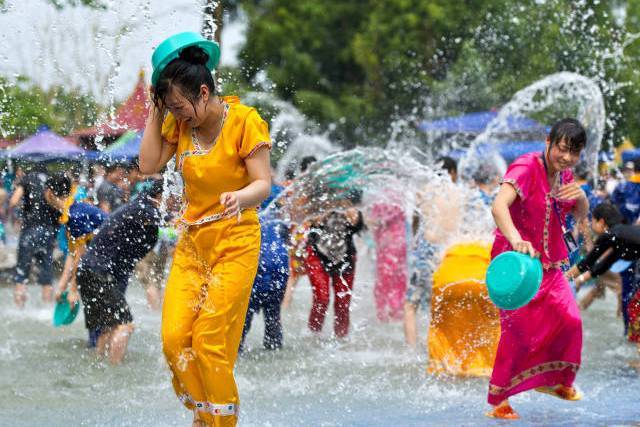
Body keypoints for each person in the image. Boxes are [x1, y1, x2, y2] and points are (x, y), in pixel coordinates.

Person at [140, 38, 271, 426]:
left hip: (237, 240)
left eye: (181, 107)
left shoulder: (245, 121)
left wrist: (241, 196)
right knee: (174, 339)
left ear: (203, 92)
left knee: (209, 339)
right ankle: (204, 414)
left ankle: (221, 422)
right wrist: (155, 110)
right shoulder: (177, 123)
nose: (180, 116)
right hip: (194, 244)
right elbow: (148, 164)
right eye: (172, 109)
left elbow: (263, 183)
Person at [486, 118, 589, 419]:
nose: (567, 158)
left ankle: (557, 381)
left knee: (570, 320)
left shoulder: (566, 174)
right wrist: (517, 239)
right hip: (516, 267)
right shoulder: (526, 167)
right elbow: (498, 206)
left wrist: (581, 197)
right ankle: (498, 402)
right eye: (562, 149)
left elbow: (579, 215)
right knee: (517, 334)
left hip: (551, 265)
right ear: (548, 141)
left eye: (574, 152)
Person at [76, 179, 163, 364]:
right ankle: (114, 369)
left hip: (90, 270)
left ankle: (98, 365)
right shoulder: (144, 208)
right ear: (160, 196)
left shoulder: (136, 206)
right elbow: (170, 226)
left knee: (108, 326)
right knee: (125, 325)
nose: (178, 202)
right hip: (99, 272)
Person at [566, 203, 639, 353]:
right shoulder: (619, 236)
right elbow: (603, 265)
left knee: (635, 309)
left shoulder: (610, 235)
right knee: (634, 307)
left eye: (592, 220)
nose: (591, 224)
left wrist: (563, 278)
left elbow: (587, 263)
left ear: (601, 222)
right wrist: (578, 281)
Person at [305, 190, 364, 338]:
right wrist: (328, 208)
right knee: (322, 298)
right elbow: (314, 222)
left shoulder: (351, 204)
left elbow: (357, 226)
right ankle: (314, 333)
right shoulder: (320, 197)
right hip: (317, 253)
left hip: (345, 257)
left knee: (343, 302)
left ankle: (341, 336)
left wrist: (350, 212)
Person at [240, 184, 289, 351]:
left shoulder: (248, 219)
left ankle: (236, 350)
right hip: (278, 270)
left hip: (255, 270)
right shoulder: (279, 222)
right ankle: (274, 348)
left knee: (244, 317)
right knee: (273, 317)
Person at [9, 164, 59, 307]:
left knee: (22, 270)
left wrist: (22, 213)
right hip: (48, 231)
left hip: (29, 230)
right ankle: (47, 310)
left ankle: (19, 309)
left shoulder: (26, 179)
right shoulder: (51, 180)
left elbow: (13, 201)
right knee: (46, 271)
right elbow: (57, 206)